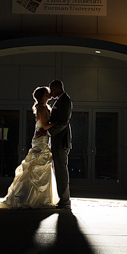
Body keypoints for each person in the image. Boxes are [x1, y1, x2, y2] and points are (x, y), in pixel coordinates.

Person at [0, 86, 59, 209]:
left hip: (43, 139)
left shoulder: (45, 107)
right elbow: (46, 126)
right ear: (42, 95)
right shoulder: (41, 108)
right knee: (38, 165)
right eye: (48, 92)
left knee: (41, 166)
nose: (50, 93)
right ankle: (29, 198)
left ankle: (39, 197)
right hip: (41, 140)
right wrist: (59, 123)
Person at [46, 79, 72, 209]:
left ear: (57, 88)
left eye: (52, 89)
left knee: (61, 171)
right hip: (58, 141)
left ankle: (65, 200)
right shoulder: (60, 100)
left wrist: (48, 133)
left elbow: (63, 122)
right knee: (59, 171)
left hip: (61, 142)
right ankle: (63, 199)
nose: (51, 92)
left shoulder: (65, 100)